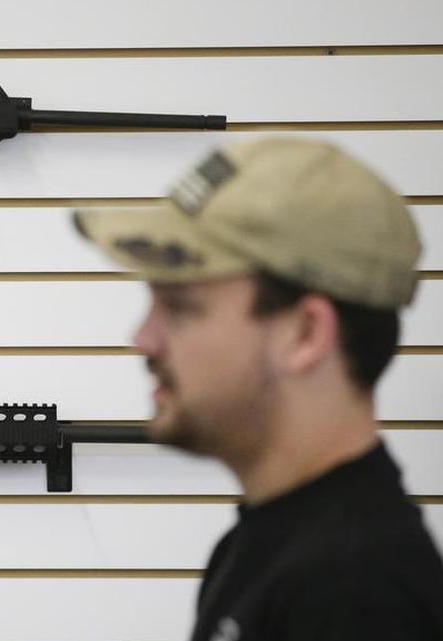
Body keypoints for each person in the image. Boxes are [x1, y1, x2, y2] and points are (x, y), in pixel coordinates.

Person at [73, 137, 443, 640]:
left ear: (306, 334)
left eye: (181, 307)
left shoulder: (354, 591)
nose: (142, 340)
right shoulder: (271, 545)